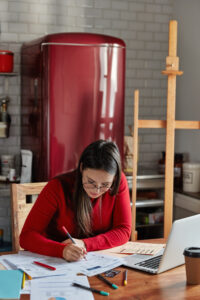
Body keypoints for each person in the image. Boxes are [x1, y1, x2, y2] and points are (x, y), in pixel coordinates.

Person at [20, 139, 132, 262]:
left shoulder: (119, 182)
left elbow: (123, 230)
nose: (97, 190)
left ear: (114, 177)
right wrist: (61, 250)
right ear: (82, 168)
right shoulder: (57, 187)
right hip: (57, 263)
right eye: (91, 182)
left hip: (99, 260)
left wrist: (85, 244)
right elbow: (26, 236)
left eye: (105, 184)